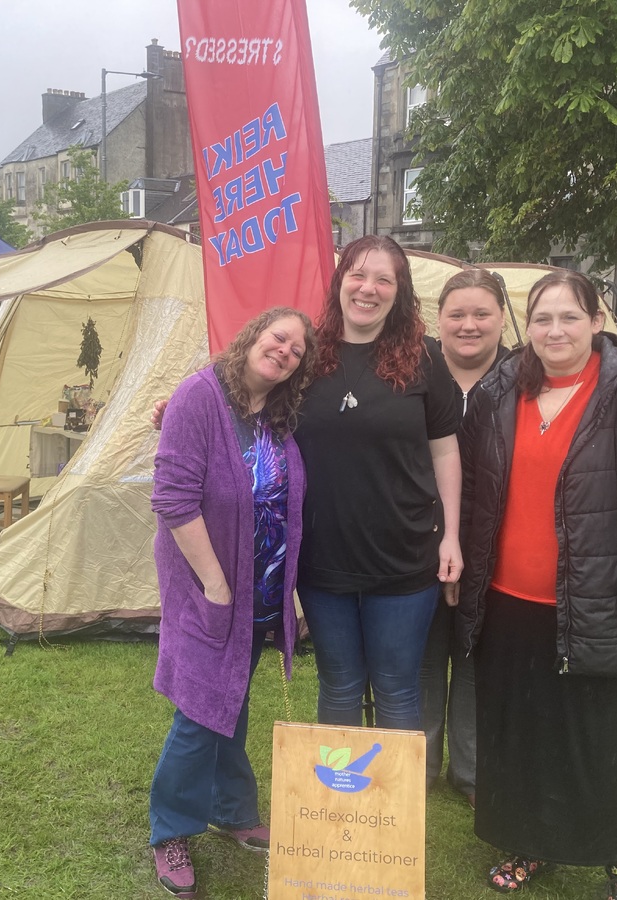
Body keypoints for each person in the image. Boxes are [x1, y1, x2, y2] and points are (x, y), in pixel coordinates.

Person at [456, 270, 617, 899]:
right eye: (541, 319)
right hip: (509, 603)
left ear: (596, 322)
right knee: (520, 738)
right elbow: (477, 493)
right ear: (525, 328)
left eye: (569, 317)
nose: (554, 331)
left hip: (600, 603)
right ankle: (530, 845)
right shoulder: (500, 389)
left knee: (606, 741)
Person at [149, 307, 316, 899]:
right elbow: (172, 499)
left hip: (260, 592)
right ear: (253, 335)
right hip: (208, 587)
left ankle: (232, 809)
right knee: (199, 710)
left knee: (233, 701)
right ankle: (170, 828)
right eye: (279, 337)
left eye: (297, 350)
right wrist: (217, 586)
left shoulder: (276, 414)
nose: (285, 351)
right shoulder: (200, 397)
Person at [294, 234, 462, 731]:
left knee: (396, 686)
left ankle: (390, 809)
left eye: (384, 279)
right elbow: (249, 394)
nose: (368, 289)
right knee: (339, 684)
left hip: (404, 556)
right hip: (323, 557)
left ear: (400, 290)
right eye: (358, 275)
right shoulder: (307, 355)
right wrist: (182, 411)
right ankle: (341, 806)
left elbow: (446, 449)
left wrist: (451, 534)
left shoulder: (425, 358)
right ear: (340, 282)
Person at [419, 268, 511, 807]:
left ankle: (474, 772)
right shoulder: (414, 370)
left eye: (482, 314)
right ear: (440, 319)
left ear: (502, 319)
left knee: (479, 656)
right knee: (424, 657)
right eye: (457, 314)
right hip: (420, 540)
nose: (469, 325)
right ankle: (422, 766)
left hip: (498, 544)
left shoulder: (525, 376)